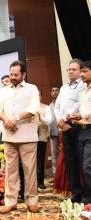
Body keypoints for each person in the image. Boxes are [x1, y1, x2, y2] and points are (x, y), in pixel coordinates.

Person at [0, 60, 40, 214]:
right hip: (9, 136)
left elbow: (33, 108)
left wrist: (15, 118)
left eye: (16, 75)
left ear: (23, 74)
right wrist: (7, 120)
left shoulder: (32, 89)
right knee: (10, 171)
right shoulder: (3, 91)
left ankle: (32, 201)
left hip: (27, 135)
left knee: (30, 171)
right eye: (11, 74)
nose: (12, 77)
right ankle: (10, 201)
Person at [54, 58, 84, 203]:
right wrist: (60, 121)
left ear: (80, 71)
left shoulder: (83, 85)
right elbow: (57, 106)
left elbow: (80, 104)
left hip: (77, 126)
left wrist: (65, 119)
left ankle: (86, 192)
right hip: (65, 128)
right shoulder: (64, 87)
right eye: (69, 69)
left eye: (74, 69)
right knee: (70, 161)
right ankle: (75, 193)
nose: (71, 71)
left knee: (82, 161)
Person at [69, 60, 91, 204]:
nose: (81, 74)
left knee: (88, 166)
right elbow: (85, 112)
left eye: (84, 71)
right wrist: (78, 116)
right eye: (81, 71)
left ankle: (88, 197)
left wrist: (83, 116)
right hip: (82, 131)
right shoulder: (84, 91)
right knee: (83, 166)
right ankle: (87, 197)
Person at [37, 89, 52, 190]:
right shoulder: (27, 108)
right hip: (28, 137)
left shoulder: (46, 107)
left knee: (40, 160)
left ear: (41, 97)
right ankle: (30, 182)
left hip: (41, 136)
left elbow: (49, 121)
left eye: (38, 95)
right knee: (29, 161)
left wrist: (40, 117)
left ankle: (40, 182)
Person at [49, 86, 60, 175]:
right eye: (53, 91)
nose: (54, 92)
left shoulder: (62, 103)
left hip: (62, 133)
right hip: (53, 133)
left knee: (62, 155)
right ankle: (55, 176)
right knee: (54, 155)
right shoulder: (50, 105)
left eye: (56, 90)